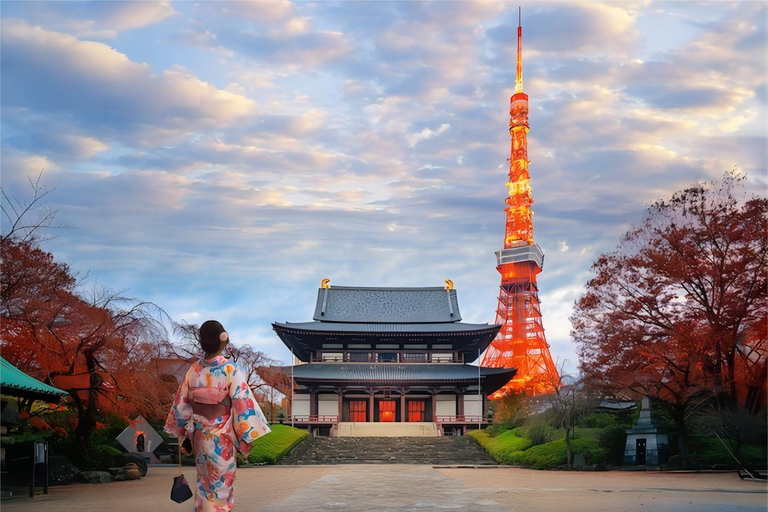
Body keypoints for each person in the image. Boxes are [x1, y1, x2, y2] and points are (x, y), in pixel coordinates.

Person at [165, 320, 271, 512]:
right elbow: (242, 402)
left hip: (199, 436)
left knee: (204, 481)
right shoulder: (229, 370)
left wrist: (183, 433)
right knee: (221, 484)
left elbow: (181, 406)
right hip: (221, 438)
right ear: (223, 339)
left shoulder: (194, 370)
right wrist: (246, 436)